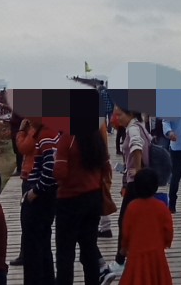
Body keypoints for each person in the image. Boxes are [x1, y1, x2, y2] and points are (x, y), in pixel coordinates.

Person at [53, 113, 109, 285]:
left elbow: (60, 173)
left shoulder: (67, 138)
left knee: (65, 252)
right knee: (89, 247)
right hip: (93, 198)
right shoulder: (95, 136)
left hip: (69, 200)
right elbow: (105, 166)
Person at [102, 101, 150, 281]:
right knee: (134, 221)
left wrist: (136, 172)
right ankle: (130, 257)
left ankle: (120, 261)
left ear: (130, 114)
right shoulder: (139, 126)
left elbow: (136, 147)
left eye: (119, 114)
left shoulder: (133, 129)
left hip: (135, 183)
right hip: (138, 181)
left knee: (124, 221)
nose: (117, 118)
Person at [115, 169, 173, 285]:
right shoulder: (161, 207)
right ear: (155, 186)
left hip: (136, 254)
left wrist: (124, 248)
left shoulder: (132, 207)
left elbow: (126, 231)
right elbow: (168, 230)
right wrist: (166, 242)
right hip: (156, 254)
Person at [20, 118, 60, 285]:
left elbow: (51, 167)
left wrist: (36, 191)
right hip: (44, 195)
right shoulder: (45, 132)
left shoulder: (46, 135)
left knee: (33, 246)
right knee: (42, 244)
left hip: (39, 197)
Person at [9, 118, 39, 267]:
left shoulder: (35, 130)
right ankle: (28, 253)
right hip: (34, 176)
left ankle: (26, 254)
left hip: (32, 177)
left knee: (27, 219)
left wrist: (21, 131)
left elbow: (23, 147)